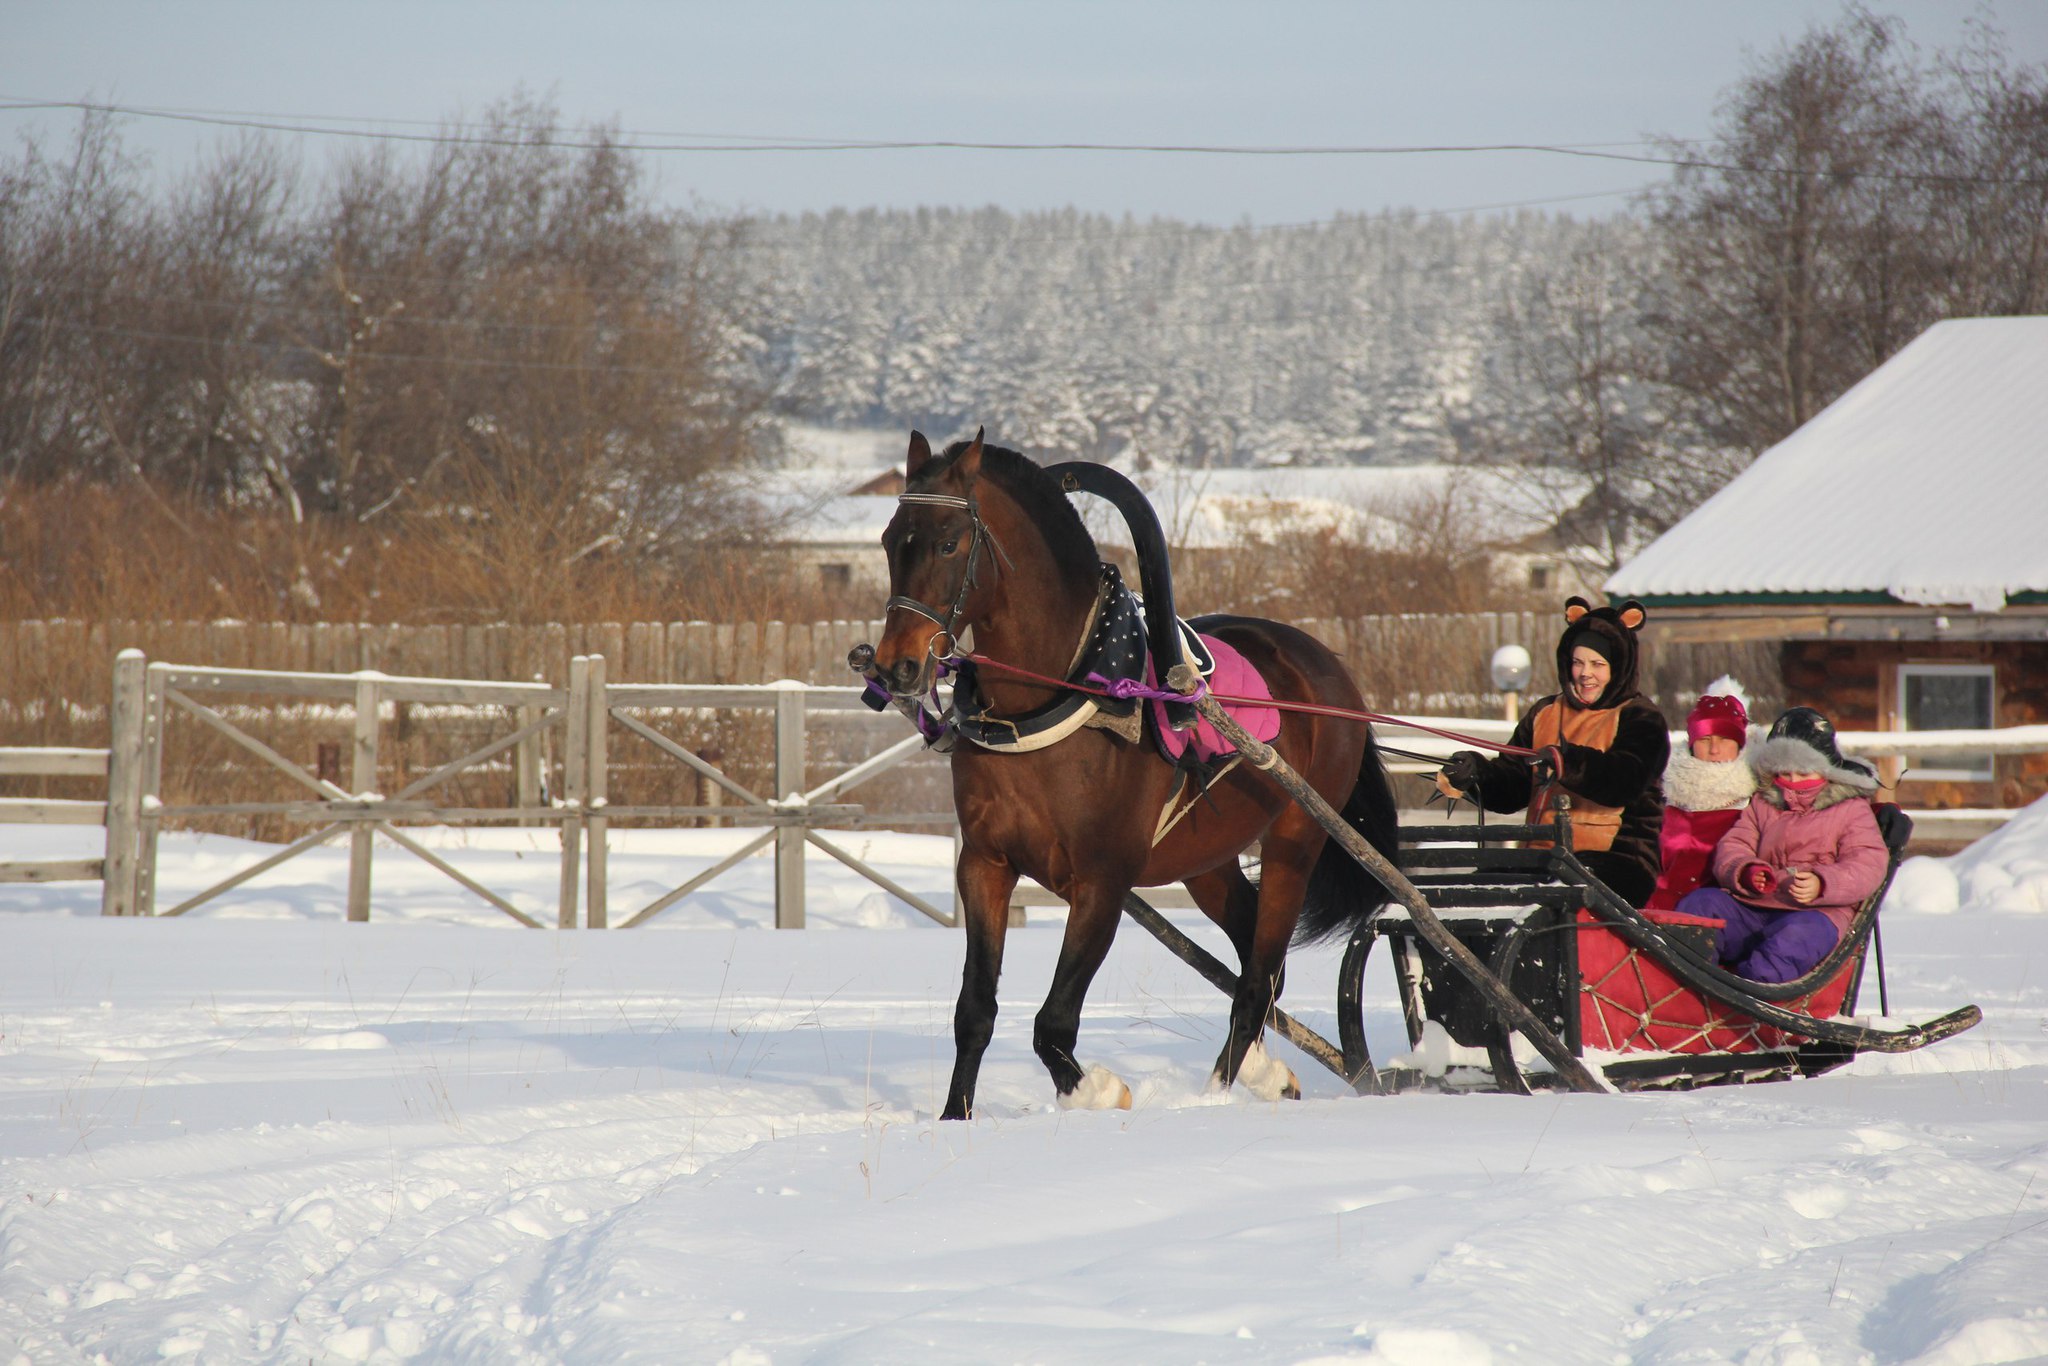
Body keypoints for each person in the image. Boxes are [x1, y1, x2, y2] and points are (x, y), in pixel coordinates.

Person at [1435, 597, 1669, 906]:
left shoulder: (1641, 716)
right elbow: (1514, 783)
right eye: (1578, 662)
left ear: (1619, 667)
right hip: (1543, 854)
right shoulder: (1545, 712)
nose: (1585, 673)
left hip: (1618, 858)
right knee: (1476, 890)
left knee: (1559, 884)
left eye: (1598, 664)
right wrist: (1477, 774)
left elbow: (1626, 780)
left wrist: (1567, 762)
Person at [1675, 716, 1888, 983]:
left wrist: (1822, 882)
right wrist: (1745, 871)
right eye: (1784, 774)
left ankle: (1752, 996)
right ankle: (1687, 985)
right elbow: (1735, 844)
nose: (1793, 782)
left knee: (1794, 940)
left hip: (1816, 912)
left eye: (1803, 773)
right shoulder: (1764, 802)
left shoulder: (1851, 809)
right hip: (1753, 905)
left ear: (1827, 771)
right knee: (1700, 905)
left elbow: (1868, 864)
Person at [1645, 677, 1757, 912]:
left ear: (1740, 744)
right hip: (1655, 905)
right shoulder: (1666, 793)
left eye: (1725, 739)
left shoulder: (1754, 799)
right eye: (1705, 739)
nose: (1714, 749)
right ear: (1692, 743)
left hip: (1717, 909)